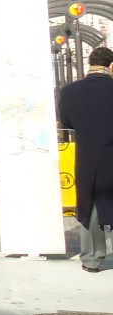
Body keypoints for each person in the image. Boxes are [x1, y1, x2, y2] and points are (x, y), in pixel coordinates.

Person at [57, 46, 113, 273]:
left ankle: (91, 259)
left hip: (87, 157)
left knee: (90, 208)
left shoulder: (70, 91)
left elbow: (66, 122)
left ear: (89, 63)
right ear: (110, 65)